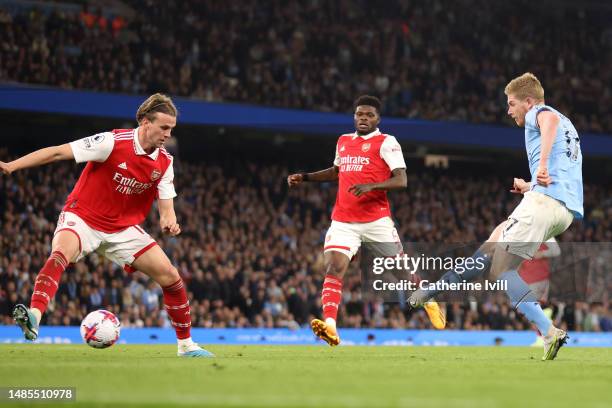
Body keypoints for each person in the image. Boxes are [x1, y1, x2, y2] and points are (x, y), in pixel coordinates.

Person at [0, 93, 213, 357]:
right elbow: (57, 153)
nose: (168, 134)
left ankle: (186, 346)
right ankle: (34, 315)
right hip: (84, 217)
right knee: (60, 254)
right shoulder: (111, 142)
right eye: (164, 127)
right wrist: (11, 166)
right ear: (145, 122)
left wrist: (170, 222)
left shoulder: (165, 162)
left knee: (171, 277)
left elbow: (166, 209)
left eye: (171, 129)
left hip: (122, 229)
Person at [409, 73, 583, 360]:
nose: (508, 110)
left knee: (502, 270)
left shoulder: (540, 113)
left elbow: (547, 122)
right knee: (494, 242)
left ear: (528, 102)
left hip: (544, 203)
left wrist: (539, 168)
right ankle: (434, 290)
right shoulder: (569, 126)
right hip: (563, 210)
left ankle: (549, 332)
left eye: (511, 103)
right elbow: (561, 169)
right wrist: (531, 185)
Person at [287, 95, 446, 346]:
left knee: (401, 272)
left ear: (377, 119)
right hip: (343, 221)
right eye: (359, 114)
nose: (363, 119)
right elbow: (336, 172)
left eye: (369, 115)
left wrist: (372, 186)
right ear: (354, 116)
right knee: (335, 267)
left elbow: (401, 179)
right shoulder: (343, 141)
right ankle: (330, 326)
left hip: (376, 220)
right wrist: (305, 177)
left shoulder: (387, 142)